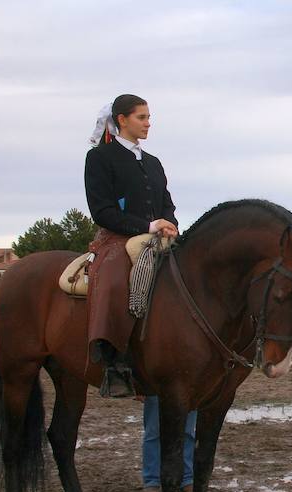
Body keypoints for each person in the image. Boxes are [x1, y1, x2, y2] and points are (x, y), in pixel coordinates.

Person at [85, 94, 178, 398]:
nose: (148, 123)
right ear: (122, 120)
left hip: (158, 236)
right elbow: (102, 210)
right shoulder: (99, 158)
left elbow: (166, 203)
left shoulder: (153, 162)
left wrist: (169, 223)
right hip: (116, 238)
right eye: (142, 117)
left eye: (149, 117)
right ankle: (113, 360)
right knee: (113, 278)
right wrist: (148, 226)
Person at [141, 396, 196, 492]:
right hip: (157, 386)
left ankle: (187, 478)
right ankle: (152, 480)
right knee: (154, 431)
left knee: (188, 431)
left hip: (191, 387)